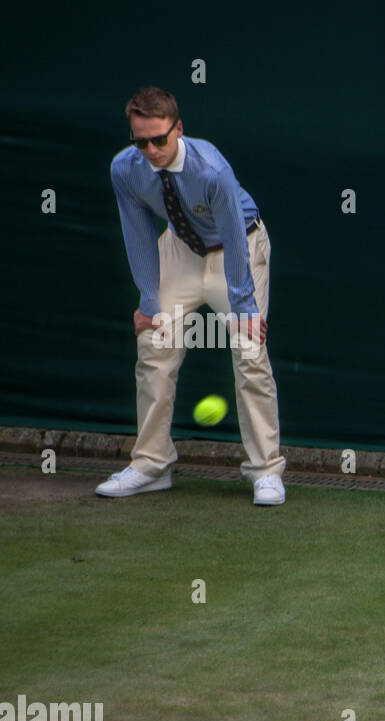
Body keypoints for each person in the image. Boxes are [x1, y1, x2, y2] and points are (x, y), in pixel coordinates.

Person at [97, 86, 286, 506]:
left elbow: (236, 236)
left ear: (178, 129)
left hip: (238, 253)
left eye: (159, 139)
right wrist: (149, 301)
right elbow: (139, 231)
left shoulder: (211, 169)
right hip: (180, 250)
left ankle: (266, 472)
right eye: (140, 141)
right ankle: (150, 464)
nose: (150, 149)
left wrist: (244, 307)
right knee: (153, 342)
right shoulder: (125, 169)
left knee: (248, 348)